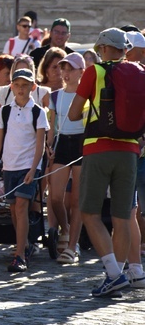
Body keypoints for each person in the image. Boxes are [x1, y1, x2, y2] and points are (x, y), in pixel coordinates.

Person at [68, 28, 140, 296]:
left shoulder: (95, 72)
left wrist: (92, 110)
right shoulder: (138, 72)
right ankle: (117, 275)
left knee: (90, 212)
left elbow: (74, 113)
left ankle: (113, 273)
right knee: (122, 217)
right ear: (125, 49)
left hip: (98, 148)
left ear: (102, 48)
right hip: (130, 150)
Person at [0, 68, 50, 272]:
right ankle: (25, 245)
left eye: (25, 85)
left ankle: (20, 255)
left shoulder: (38, 112)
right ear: (12, 86)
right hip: (9, 167)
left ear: (33, 87)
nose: (21, 89)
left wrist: (34, 169)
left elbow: (40, 144)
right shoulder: (5, 111)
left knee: (22, 206)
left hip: (27, 167)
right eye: (17, 85)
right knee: (14, 209)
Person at [47, 52, 85, 264]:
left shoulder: (86, 94)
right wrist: (49, 146)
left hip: (81, 142)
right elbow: (52, 126)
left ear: (81, 71)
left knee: (78, 200)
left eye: (71, 69)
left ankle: (72, 246)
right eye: (64, 68)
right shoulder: (55, 96)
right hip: (62, 144)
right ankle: (66, 228)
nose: (66, 73)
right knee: (54, 197)